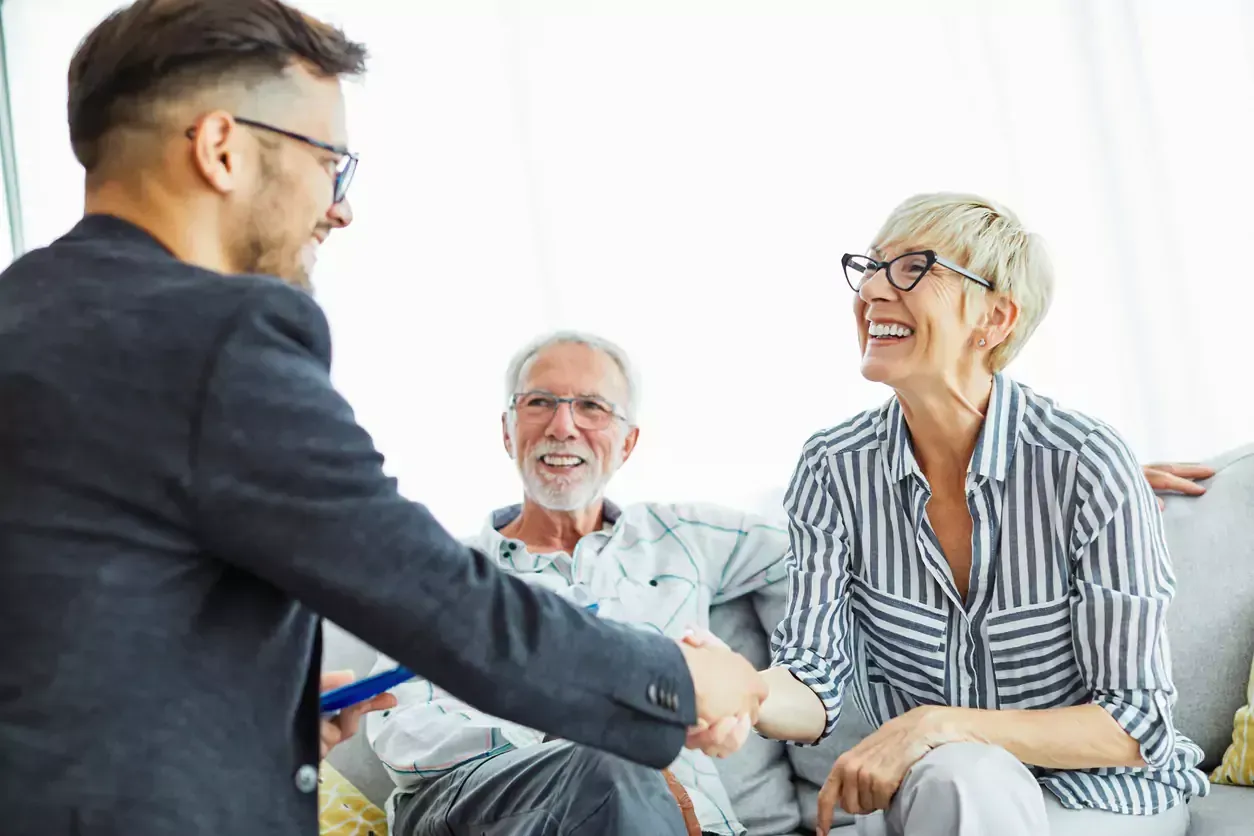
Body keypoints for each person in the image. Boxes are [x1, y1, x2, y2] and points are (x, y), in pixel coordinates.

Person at [0, 2, 766, 834]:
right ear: (222, 148)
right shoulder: (217, 333)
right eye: (331, 161)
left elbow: (78, 629)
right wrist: (678, 684)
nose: (339, 207)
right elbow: (440, 601)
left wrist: (270, 715)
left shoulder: (26, 319)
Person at [690, 193, 1210, 836]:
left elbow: (1135, 725)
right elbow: (814, 680)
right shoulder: (832, 469)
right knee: (962, 777)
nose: (875, 289)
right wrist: (747, 690)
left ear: (994, 318)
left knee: (964, 772)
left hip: (1103, 801)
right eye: (873, 266)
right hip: (944, 795)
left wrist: (933, 724)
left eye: (914, 268)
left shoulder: (1085, 463)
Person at [365, 331, 790, 836]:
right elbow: (402, 729)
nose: (563, 426)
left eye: (591, 407)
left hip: (687, 823)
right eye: (540, 403)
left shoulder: (682, 535)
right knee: (614, 762)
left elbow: (820, 555)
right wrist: (571, 733)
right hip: (486, 805)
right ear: (507, 429)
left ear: (628, 443)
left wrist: (756, 682)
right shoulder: (442, 569)